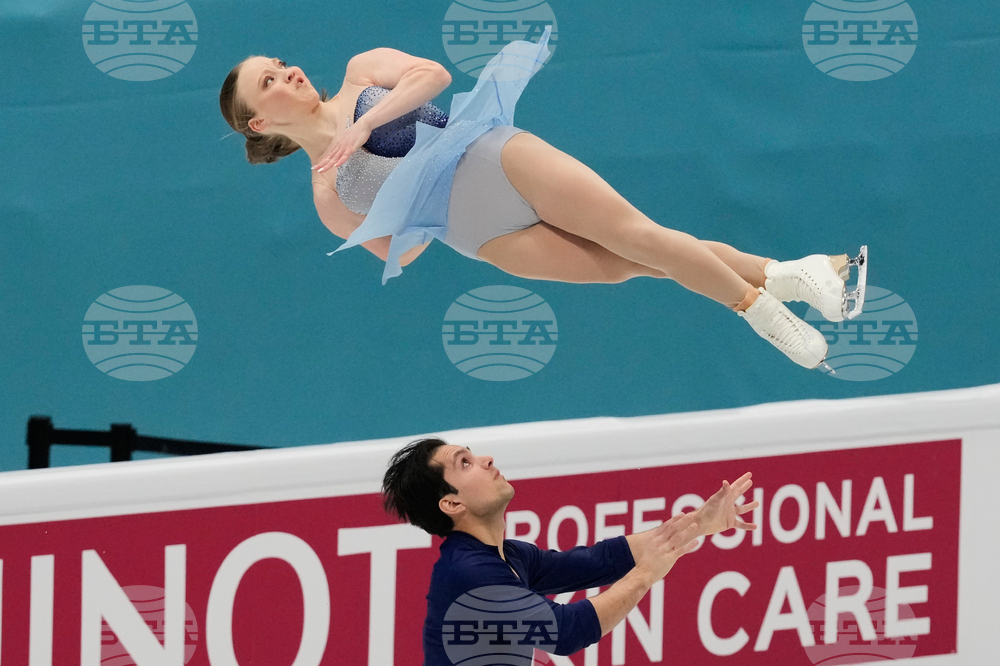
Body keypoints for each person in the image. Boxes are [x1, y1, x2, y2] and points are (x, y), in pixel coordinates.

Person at [218, 25, 868, 371]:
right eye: (268, 80)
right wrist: (398, 205)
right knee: (632, 265)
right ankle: (797, 274)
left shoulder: (361, 72)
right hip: (482, 236)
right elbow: (404, 253)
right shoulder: (328, 195)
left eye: (279, 63)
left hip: (496, 158)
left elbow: (431, 75)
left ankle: (763, 313)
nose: (286, 72)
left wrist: (366, 125)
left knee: (639, 236)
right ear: (259, 123)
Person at [380, 437, 759, 664]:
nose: (486, 459)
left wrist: (700, 523)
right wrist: (646, 574)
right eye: (465, 463)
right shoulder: (472, 575)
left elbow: (597, 562)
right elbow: (565, 632)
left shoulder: (507, 556)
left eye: (472, 454)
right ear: (452, 504)